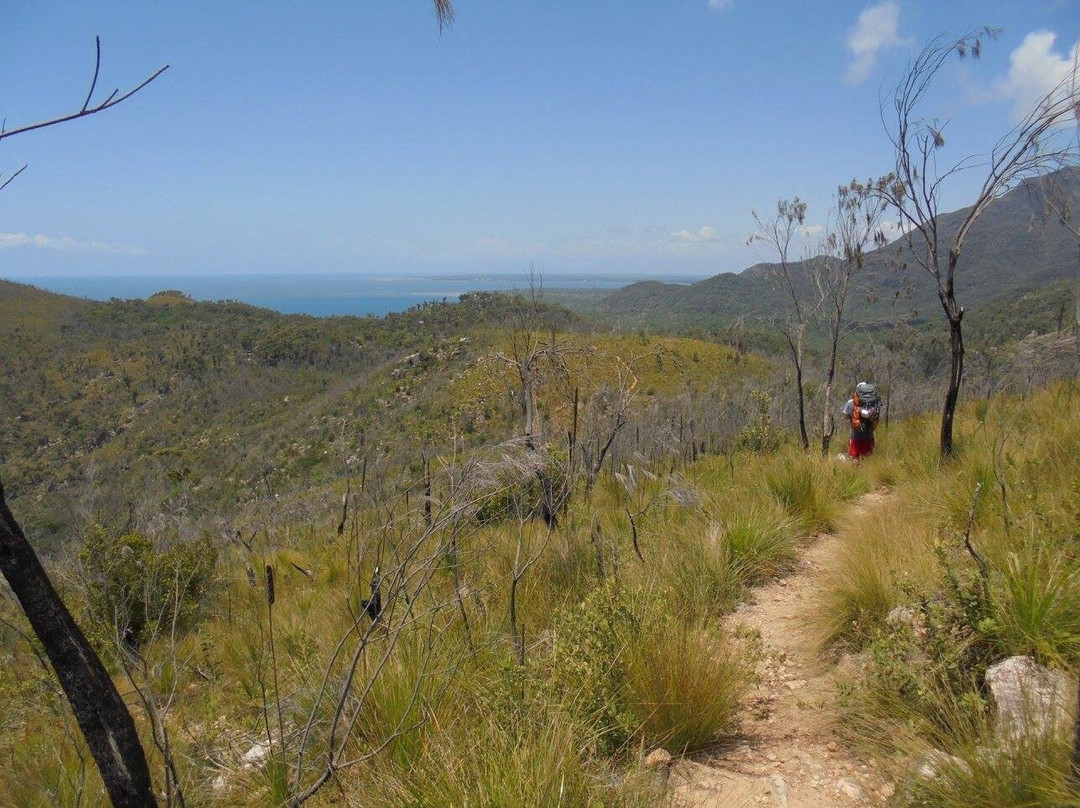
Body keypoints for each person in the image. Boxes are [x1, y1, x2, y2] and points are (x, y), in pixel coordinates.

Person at [841, 381, 880, 461]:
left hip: (855, 436)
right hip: (869, 435)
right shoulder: (873, 404)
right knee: (867, 458)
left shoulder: (850, 403)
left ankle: (855, 473)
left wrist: (853, 416)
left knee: (854, 458)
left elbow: (845, 416)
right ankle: (867, 472)